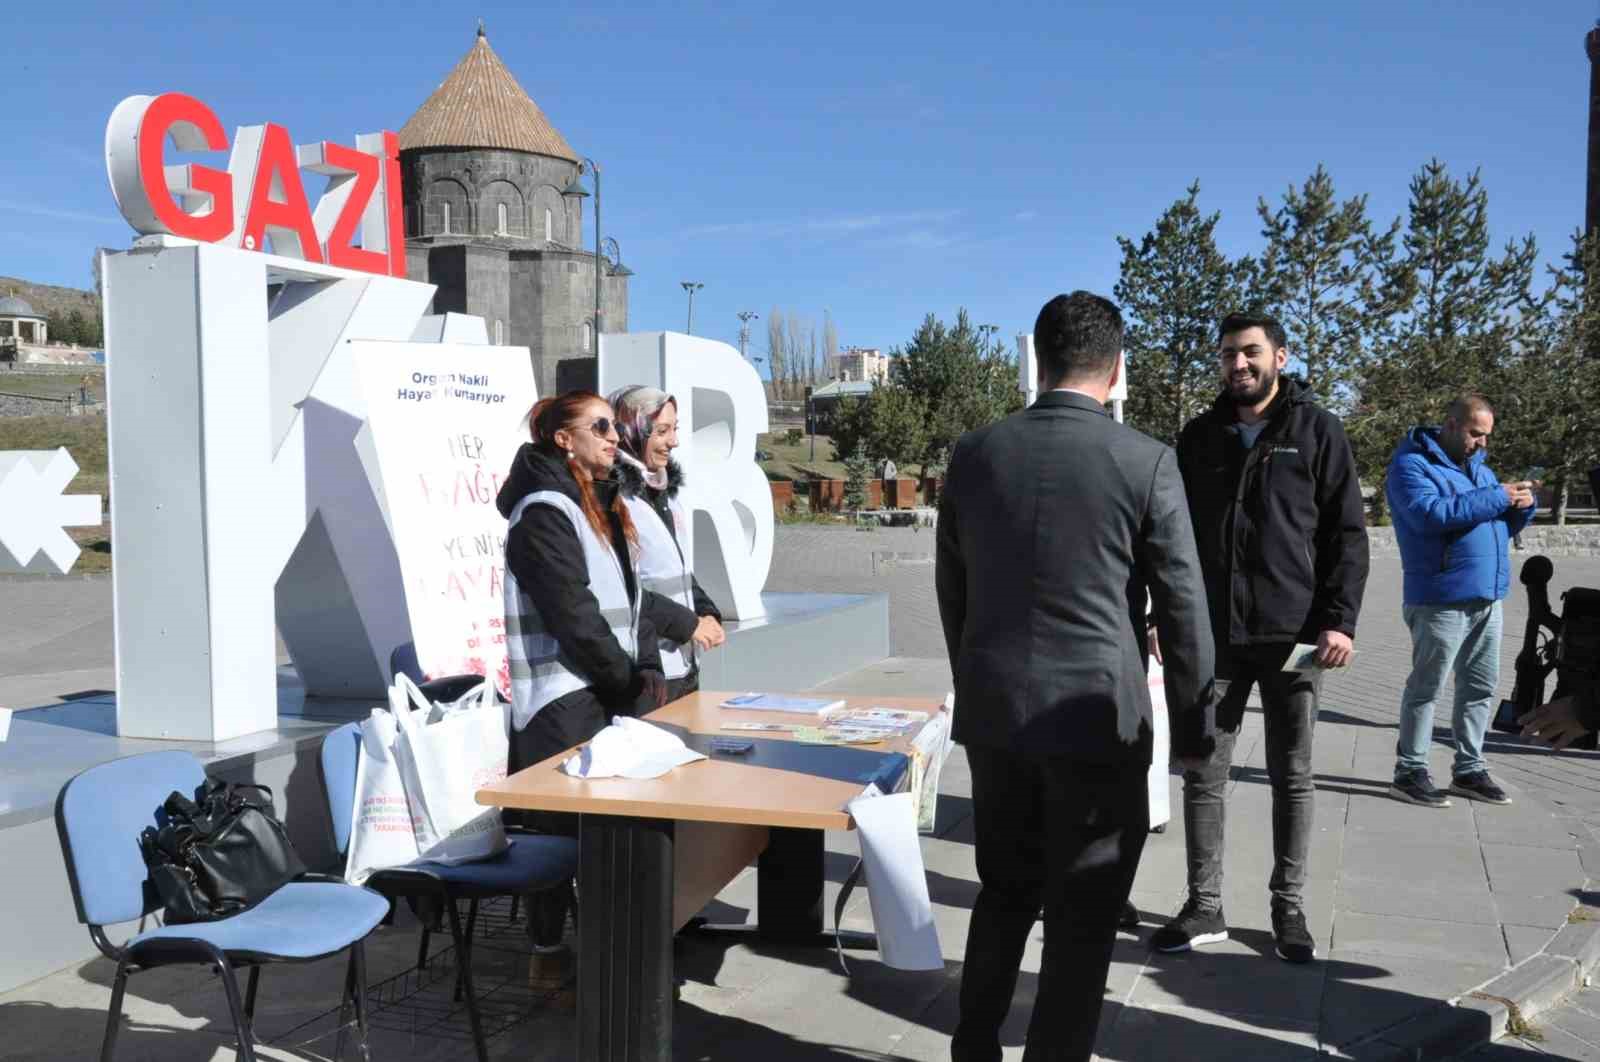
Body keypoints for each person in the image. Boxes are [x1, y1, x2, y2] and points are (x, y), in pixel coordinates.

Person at [936, 291, 1215, 1062]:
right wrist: (1194, 727)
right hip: (1097, 721)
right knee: (1084, 918)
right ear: (1117, 367)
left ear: (1040, 358)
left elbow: (951, 588)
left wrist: (979, 679)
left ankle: (974, 1047)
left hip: (999, 718)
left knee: (1003, 892)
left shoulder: (977, 451)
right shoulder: (1146, 460)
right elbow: (1184, 606)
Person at [1156, 312, 1368, 965]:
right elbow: (1170, 536)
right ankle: (1204, 905)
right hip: (1213, 638)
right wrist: (1162, 616)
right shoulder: (1200, 437)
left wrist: (1339, 620)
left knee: (1294, 774)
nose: (1238, 365)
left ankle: (1288, 909)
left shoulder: (1316, 431)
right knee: (1202, 772)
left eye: (1250, 353)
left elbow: (1346, 536)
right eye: (1227, 355)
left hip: (1296, 635)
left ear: (1280, 355)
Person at [497, 391, 671, 971]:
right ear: (563, 439)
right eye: (600, 426)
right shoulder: (545, 511)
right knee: (562, 839)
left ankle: (610, 958)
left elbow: (630, 599)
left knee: (606, 840)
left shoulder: (600, 502)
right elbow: (573, 616)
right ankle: (549, 960)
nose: (614, 436)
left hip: (604, 693)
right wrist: (626, 680)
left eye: (612, 426)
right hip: (561, 703)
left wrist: (642, 671)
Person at [1386, 395, 1536, 808]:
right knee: (1426, 688)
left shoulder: (1480, 471)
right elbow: (1429, 515)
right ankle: (1409, 771)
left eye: (1486, 436)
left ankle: (1469, 770)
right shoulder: (1410, 466)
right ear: (1451, 424)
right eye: (1475, 433)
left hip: (1487, 597)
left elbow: (1497, 526)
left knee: (1480, 688)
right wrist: (1498, 498)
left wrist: (1523, 506)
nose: (1482, 443)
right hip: (1439, 599)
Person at [607, 384, 726, 701]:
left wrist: (706, 611)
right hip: (645, 670)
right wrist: (688, 625)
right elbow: (619, 591)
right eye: (661, 431)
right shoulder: (613, 501)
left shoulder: (666, 497)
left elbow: (678, 572)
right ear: (631, 430)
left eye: (675, 429)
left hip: (684, 664)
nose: (673, 441)